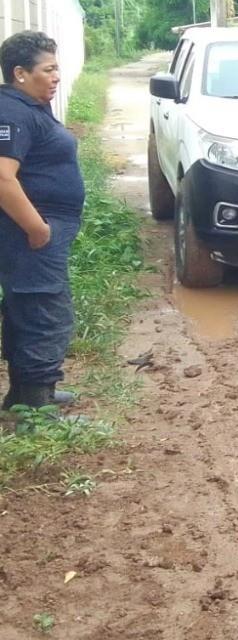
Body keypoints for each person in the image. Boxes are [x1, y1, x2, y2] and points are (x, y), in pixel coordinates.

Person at [0, 31, 82, 412]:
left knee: (26, 309)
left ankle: (23, 395)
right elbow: (2, 177)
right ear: (20, 73)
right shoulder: (13, 113)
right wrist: (37, 228)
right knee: (45, 312)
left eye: (57, 69)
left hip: (35, 235)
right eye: (48, 69)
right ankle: (38, 409)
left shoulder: (27, 107)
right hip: (29, 236)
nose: (56, 77)